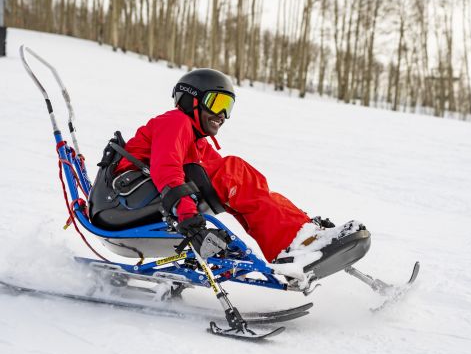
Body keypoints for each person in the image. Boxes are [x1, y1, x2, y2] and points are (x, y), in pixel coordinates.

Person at [112, 68, 364, 275]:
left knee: (241, 182)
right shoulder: (175, 122)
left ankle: (303, 235)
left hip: (144, 201)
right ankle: (296, 243)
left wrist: (299, 218)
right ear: (192, 101)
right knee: (234, 173)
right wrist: (188, 215)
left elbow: (249, 193)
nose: (221, 115)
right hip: (130, 201)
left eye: (228, 107)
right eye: (216, 103)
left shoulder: (196, 142)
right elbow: (165, 168)